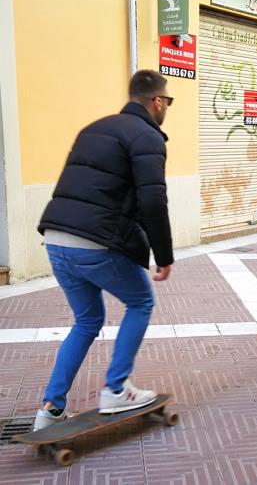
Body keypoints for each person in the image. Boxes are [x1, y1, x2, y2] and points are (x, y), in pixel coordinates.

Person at [34, 70, 174, 430]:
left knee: (86, 321)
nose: (167, 108)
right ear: (157, 101)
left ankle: (50, 408)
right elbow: (152, 199)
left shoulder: (94, 128)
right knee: (141, 302)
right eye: (168, 102)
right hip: (95, 243)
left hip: (56, 237)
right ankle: (116, 389)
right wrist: (164, 255)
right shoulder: (147, 136)